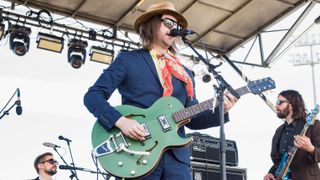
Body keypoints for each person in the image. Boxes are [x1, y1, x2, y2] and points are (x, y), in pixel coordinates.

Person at [84, 1, 237, 179]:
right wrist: (120, 121)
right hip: (137, 153)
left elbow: (192, 119)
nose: (174, 28)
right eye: (168, 23)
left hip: (177, 158)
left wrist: (221, 109)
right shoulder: (128, 60)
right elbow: (93, 96)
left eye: (177, 25)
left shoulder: (185, 73)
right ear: (151, 24)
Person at [263, 90, 320, 180]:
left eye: (279, 102)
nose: (276, 106)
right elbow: (279, 161)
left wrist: (311, 149)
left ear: (292, 104)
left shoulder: (313, 125)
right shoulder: (279, 131)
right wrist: (270, 173)